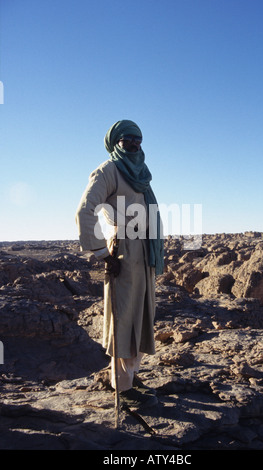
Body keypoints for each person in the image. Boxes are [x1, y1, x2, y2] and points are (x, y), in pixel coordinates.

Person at [75, 120, 164, 409]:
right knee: (124, 317)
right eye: (128, 139)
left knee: (141, 314)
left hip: (145, 252)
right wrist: (102, 253)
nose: (135, 143)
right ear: (116, 142)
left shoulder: (141, 174)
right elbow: (84, 211)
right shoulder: (108, 171)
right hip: (123, 252)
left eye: (139, 139)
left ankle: (131, 375)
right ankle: (122, 386)